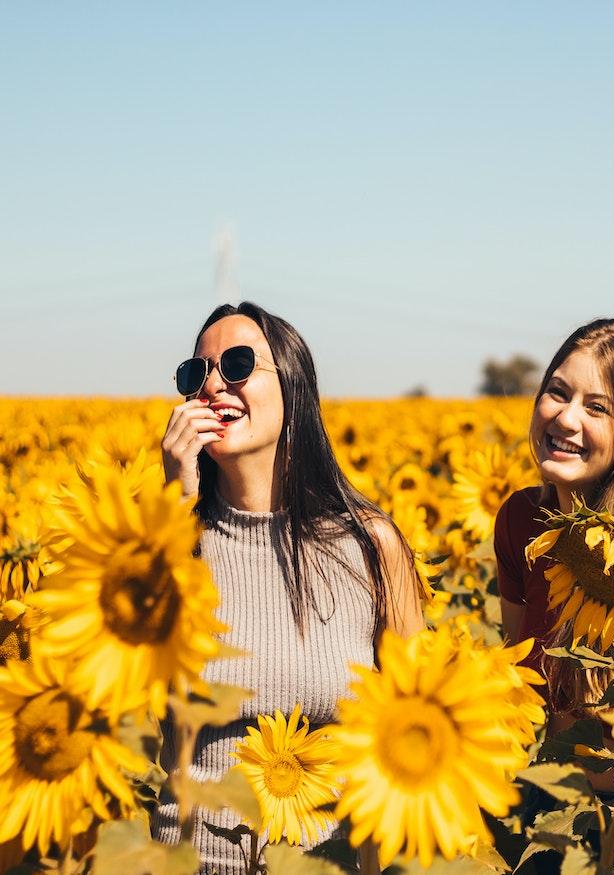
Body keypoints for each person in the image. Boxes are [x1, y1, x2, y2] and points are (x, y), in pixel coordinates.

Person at [153, 302, 425, 873]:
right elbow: (121, 711)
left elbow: (413, 728)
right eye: (195, 374)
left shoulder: (370, 547)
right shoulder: (168, 545)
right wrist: (170, 511)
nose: (213, 386)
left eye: (237, 364)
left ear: (294, 384)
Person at [494, 318, 614, 709]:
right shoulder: (520, 520)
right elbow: (518, 665)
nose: (566, 419)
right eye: (557, 393)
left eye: (596, 408)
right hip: (533, 757)